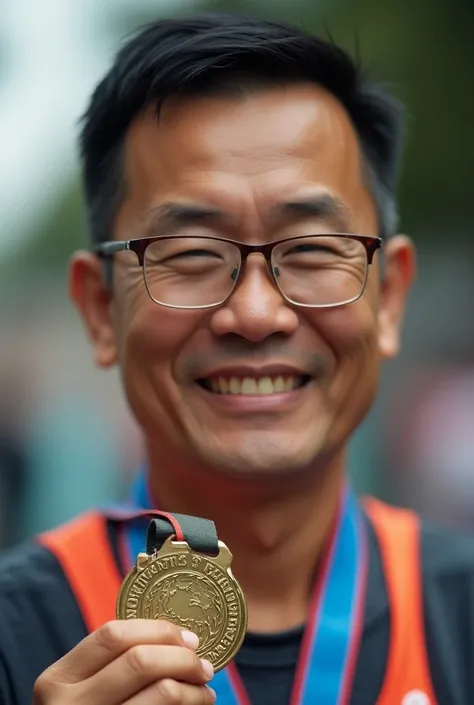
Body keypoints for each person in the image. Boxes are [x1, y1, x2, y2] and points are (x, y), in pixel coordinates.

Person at [1, 11, 474, 705]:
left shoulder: (460, 614)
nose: (255, 313)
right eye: (191, 254)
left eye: (312, 249)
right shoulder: (15, 640)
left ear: (392, 297)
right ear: (100, 309)